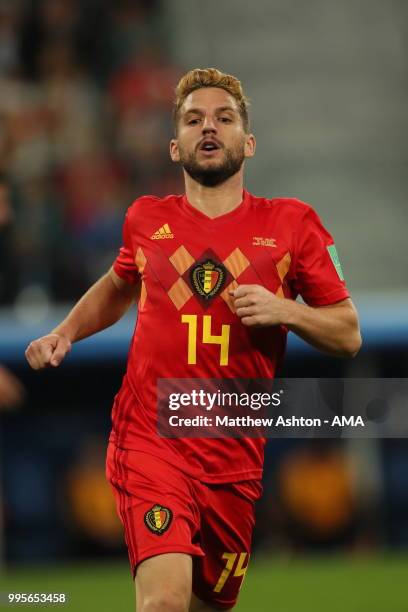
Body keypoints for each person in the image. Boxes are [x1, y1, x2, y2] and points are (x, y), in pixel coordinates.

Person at [25, 67, 362, 611]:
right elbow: (118, 285)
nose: (209, 127)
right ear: (175, 147)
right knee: (164, 603)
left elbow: (348, 334)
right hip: (151, 439)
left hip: (235, 455)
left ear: (247, 142)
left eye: (224, 118)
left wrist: (284, 310)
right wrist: (66, 332)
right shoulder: (145, 219)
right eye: (193, 119)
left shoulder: (293, 225)